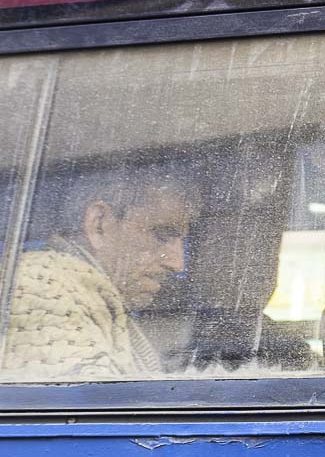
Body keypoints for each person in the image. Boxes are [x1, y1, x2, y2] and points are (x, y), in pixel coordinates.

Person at [2, 161, 197, 381]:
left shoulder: (96, 302)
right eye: (162, 235)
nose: (177, 264)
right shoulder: (43, 289)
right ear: (99, 224)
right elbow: (79, 405)